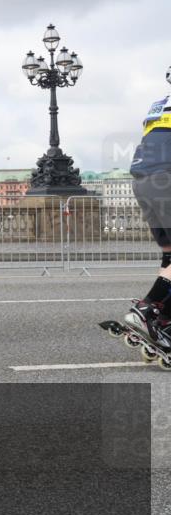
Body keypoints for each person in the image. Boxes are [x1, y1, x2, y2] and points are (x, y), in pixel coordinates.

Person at [120, 66, 171, 367]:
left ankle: (161, 319)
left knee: (170, 257)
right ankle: (153, 311)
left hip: (144, 181)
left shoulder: (159, 105)